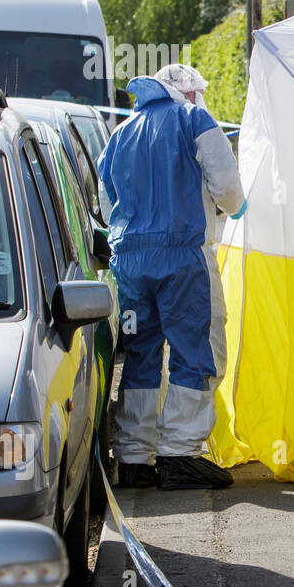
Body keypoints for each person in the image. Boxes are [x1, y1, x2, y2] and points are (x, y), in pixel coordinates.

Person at [97, 70, 247, 490]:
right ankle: (180, 453)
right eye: (199, 92)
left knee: (142, 354)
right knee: (195, 350)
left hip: (128, 259)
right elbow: (227, 186)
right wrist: (232, 209)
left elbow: (107, 198)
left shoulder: (120, 134)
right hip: (184, 255)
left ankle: (132, 457)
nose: (201, 99)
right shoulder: (193, 120)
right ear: (189, 91)